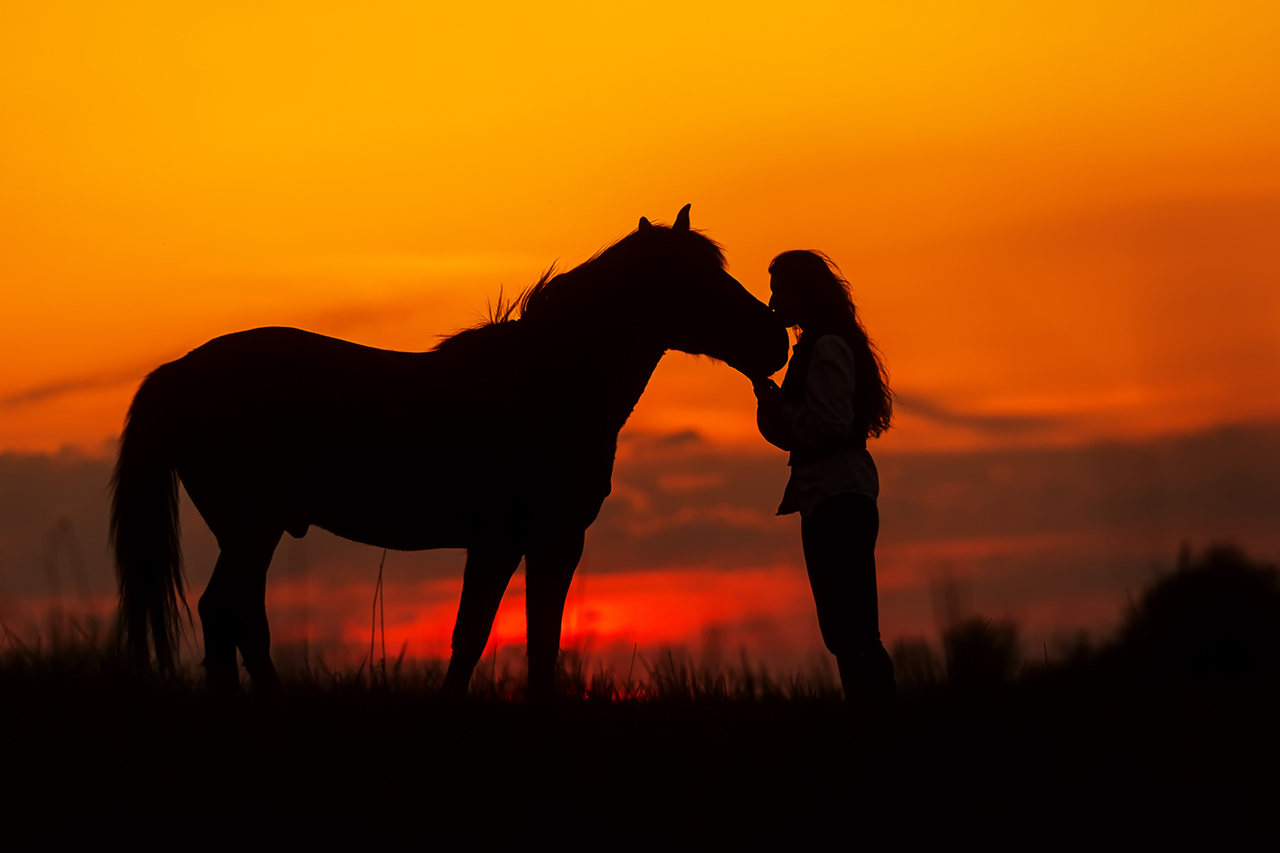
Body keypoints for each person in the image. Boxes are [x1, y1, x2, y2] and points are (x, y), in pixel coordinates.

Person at [753, 250, 896, 702]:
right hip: (829, 495)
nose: (773, 301)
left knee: (851, 626)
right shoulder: (822, 343)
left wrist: (783, 413)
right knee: (843, 626)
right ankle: (872, 716)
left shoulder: (827, 345)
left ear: (803, 293)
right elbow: (808, 427)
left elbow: (830, 425)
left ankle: (877, 718)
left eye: (780, 290)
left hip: (838, 496)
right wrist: (773, 410)